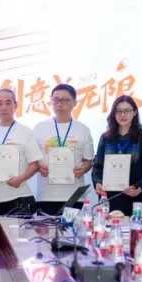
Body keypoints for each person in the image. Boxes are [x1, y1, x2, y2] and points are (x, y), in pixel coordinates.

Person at [91, 95, 142, 222]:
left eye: (127, 110)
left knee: (136, 232)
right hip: (110, 198)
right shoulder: (105, 138)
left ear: (134, 112)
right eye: (119, 111)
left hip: (136, 197)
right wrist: (97, 182)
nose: (123, 115)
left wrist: (140, 187)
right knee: (108, 231)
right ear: (114, 114)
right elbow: (97, 167)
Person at [34, 84, 95, 216]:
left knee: (74, 229)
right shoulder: (39, 128)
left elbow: (89, 161)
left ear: (74, 103)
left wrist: (83, 169)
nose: (59, 104)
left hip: (75, 196)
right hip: (46, 195)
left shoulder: (83, 129)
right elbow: (31, 159)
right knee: (45, 229)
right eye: (55, 100)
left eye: (65, 100)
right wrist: (38, 167)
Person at [0, 88, 41, 217]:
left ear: (15, 105)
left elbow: (35, 164)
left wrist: (20, 179)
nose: (4, 107)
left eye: (8, 103)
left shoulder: (25, 132)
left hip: (19, 197)